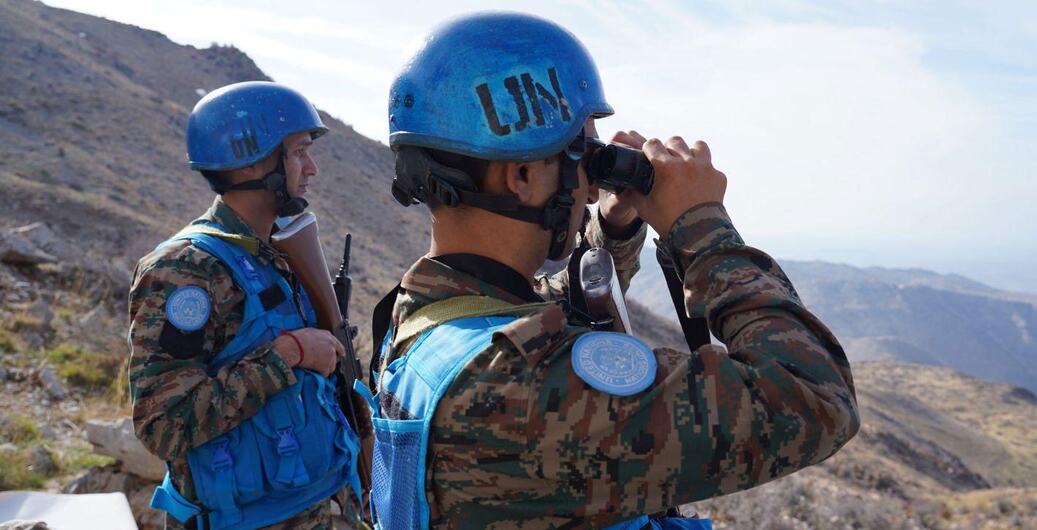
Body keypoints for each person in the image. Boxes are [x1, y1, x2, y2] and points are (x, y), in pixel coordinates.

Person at [367, 13, 859, 530]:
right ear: (522, 175)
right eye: (583, 156)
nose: (588, 185)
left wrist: (612, 227)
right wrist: (702, 226)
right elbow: (814, 395)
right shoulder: (521, 390)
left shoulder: (423, 316)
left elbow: (543, 314)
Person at [127, 81, 363, 530]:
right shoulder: (184, 270)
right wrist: (289, 354)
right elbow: (165, 425)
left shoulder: (273, 255)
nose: (312, 168)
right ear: (252, 159)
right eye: (299, 152)